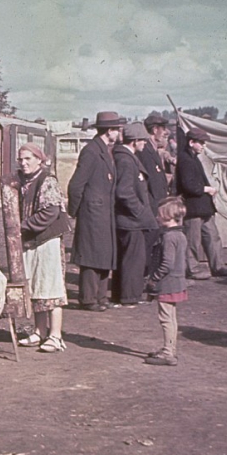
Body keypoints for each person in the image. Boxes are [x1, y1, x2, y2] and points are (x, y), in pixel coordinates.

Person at [16, 143, 71, 352]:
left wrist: (22, 225)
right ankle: (39, 332)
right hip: (32, 240)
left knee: (51, 286)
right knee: (36, 286)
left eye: (28, 159)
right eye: (21, 159)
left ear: (39, 160)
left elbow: (51, 212)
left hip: (48, 239)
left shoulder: (47, 180)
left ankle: (55, 335)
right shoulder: (25, 181)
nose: (23, 163)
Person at [67, 111, 123, 312]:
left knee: (103, 254)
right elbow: (76, 184)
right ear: (110, 131)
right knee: (91, 256)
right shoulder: (91, 151)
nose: (118, 132)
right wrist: (74, 211)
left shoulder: (105, 149)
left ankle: (100, 296)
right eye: (117, 129)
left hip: (103, 212)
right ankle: (88, 298)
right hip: (92, 212)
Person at [175, 128, 227, 279]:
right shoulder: (185, 159)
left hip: (203, 208)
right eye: (201, 142)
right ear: (192, 143)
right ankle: (193, 270)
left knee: (213, 237)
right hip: (193, 208)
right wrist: (206, 189)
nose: (203, 145)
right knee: (192, 241)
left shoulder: (193, 158)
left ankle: (218, 267)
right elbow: (188, 185)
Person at [112, 122, 158, 306]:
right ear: (135, 140)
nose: (145, 145)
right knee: (133, 260)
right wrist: (139, 211)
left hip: (127, 219)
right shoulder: (125, 159)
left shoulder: (123, 157)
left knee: (126, 259)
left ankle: (122, 295)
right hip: (131, 221)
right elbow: (124, 192)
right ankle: (129, 297)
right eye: (143, 141)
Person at [144, 196, 189, 366]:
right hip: (177, 282)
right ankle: (169, 348)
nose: (156, 217)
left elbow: (166, 264)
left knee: (165, 318)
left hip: (167, 283)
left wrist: (153, 280)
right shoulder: (180, 235)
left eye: (159, 214)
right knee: (171, 317)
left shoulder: (169, 237)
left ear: (167, 216)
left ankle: (168, 353)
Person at [139, 115, 171, 277]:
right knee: (148, 244)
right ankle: (143, 277)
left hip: (155, 206)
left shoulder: (152, 150)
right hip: (152, 208)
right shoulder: (145, 151)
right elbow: (152, 181)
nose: (166, 132)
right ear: (154, 129)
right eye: (163, 128)